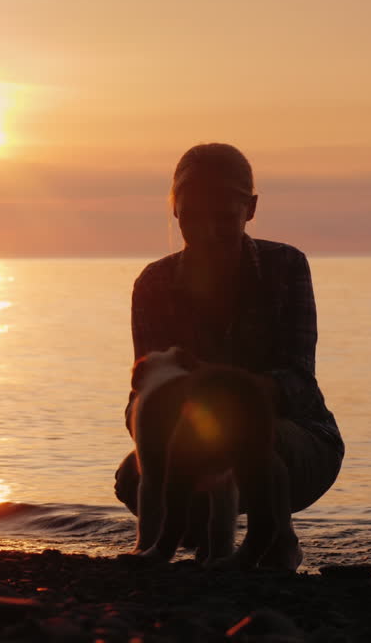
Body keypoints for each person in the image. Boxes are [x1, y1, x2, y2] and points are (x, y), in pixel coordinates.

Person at [114, 142, 344, 570]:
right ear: (176, 212)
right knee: (135, 476)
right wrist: (160, 435)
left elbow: (296, 379)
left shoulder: (286, 266)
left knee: (254, 443)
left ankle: (276, 540)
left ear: (250, 209)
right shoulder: (154, 284)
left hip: (297, 437)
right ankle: (207, 544)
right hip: (192, 439)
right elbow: (142, 394)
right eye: (193, 217)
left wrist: (223, 398)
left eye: (224, 217)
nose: (208, 231)